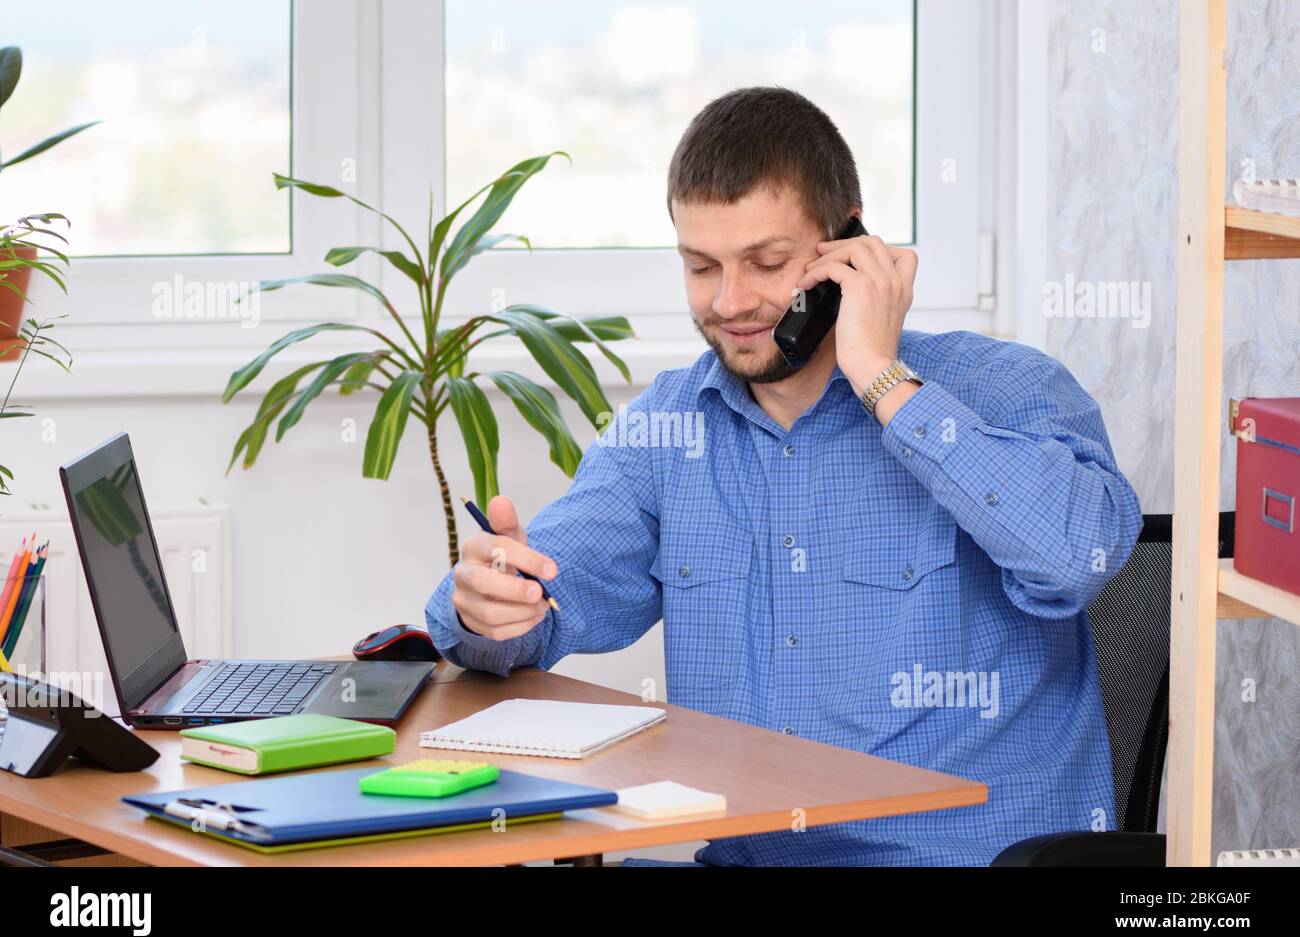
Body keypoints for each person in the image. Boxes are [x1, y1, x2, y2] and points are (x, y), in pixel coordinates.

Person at [425, 86, 1143, 866]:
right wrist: (487, 605)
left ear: (850, 243)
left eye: (767, 263)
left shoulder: (1005, 390)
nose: (730, 302)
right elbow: (533, 603)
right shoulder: (670, 431)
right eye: (701, 267)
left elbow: (1079, 558)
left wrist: (883, 382)